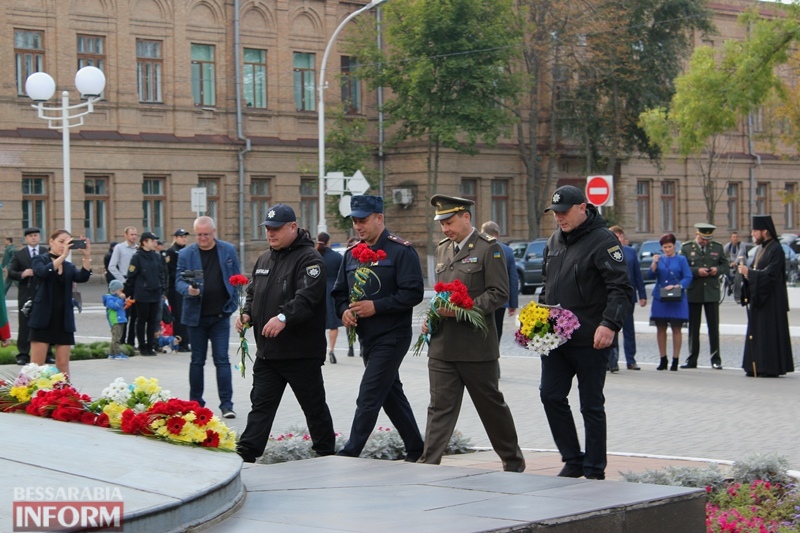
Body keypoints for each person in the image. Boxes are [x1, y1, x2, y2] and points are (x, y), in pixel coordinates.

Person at [417, 195, 525, 472]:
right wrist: (431, 318)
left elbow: (499, 294)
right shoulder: (443, 249)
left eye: (449, 222)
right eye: (442, 224)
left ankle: (513, 462)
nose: (445, 229)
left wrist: (464, 309)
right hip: (442, 346)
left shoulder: (490, 249)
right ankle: (428, 463)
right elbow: (440, 293)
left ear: (466, 218)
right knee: (439, 407)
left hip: (476, 347)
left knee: (491, 407)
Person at [538, 185, 632, 480]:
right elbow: (546, 286)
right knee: (550, 395)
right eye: (555, 213)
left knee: (591, 404)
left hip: (591, 338)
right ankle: (572, 459)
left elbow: (621, 288)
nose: (559, 219)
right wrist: (537, 323)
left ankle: (593, 468)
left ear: (583, 207)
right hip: (556, 339)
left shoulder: (603, 241)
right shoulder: (553, 241)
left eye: (564, 212)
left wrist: (609, 324)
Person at [236, 204, 336, 463]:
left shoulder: (309, 259)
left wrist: (283, 318)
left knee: (313, 408)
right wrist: (247, 314)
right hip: (268, 353)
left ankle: (326, 453)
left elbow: (307, 298)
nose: (271, 233)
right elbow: (252, 293)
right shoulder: (264, 259)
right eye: (268, 229)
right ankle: (245, 455)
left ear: (293, 227)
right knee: (260, 406)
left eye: (276, 228)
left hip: (300, 352)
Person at [332, 195, 425, 462]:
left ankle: (349, 454)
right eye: (355, 222)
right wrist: (344, 312)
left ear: (379, 218)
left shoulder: (401, 251)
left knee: (370, 394)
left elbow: (413, 293)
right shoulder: (351, 254)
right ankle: (416, 447)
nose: (358, 227)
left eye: (363, 221)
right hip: (366, 337)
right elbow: (338, 292)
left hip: (393, 335)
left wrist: (377, 307)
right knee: (390, 394)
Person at [176, 216, 242, 419]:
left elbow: (237, 278)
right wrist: (188, 290)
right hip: (196, 317)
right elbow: (178, 280)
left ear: (214, 232)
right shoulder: (186, 254)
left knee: (222, 360)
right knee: (197, 361)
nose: (202, 238)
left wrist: (233, 303)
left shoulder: (227, 250)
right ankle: (195, 404)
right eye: (199, 235)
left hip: (220, 316)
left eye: (206, 234)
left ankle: (227, 405)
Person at [28, 230, 93, 375]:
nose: (64, 246)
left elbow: (83, 277)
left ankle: (64, 396)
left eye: (68, 242)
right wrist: (63, 256)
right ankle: (29, 396)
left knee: (63, 365)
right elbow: (43, 272)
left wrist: (87, 256)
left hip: (63, 318)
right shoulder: (39, 259)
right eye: (61, 242)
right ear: (51, 242)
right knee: (36, 365)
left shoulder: (68, 266)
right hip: (43, 317)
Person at [738, 215, 795, 377]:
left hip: (772, 301)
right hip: (760, 299)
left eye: (755, 231)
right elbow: (757, 270)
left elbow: (770, 274)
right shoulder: (761, 248)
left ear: (765, 231)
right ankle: (756, 366)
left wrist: (749, 273)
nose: (752, 234)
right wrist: (746, 274)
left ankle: (769, 367)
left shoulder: (776, 249)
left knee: (768, 333)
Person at [679, 223, 729, 369]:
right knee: (693, 328)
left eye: (708, 239)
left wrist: (717, 269)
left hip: (712, 292)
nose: (706, 242)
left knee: (713, 327)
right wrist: (696, 271)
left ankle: (716, 359)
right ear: (697, 235)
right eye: (703, 239)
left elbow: (725, 265)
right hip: (694, 291)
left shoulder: (718, 247)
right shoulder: (687, 248)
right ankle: (692, 359)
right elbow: (683, 267)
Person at [647, 234, 692, 371]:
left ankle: (675, 359)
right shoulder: (659, 259)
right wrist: (654, 263)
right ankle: (663, 359)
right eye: (665, 247)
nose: (667, 249)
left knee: (676, 329)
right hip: (661, 298)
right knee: (661, 329)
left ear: (674, 246)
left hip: (676, 298)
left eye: (669, 247)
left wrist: (678, 286)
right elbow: (650, 275)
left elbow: (688, 276)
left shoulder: (681, 259)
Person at [8, 228, 52, 366]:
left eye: (35, 235)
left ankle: (47, 353)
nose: (33, 238)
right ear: (26, 239)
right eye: (30, 236)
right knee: (25, 324)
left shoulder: (46, 252)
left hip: (44, 292)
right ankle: (23, 354)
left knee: (45, 322)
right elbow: (11, 272)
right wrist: (22, 273)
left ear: (39, 237)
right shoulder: (19, 254)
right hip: (26, 292)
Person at [608, 226, 647, 371]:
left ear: (623, 238)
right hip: (611, 298)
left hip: (628, 297)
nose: (617, 239)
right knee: (612, 328)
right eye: (614, 236)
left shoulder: (630, 252)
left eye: (619, 236)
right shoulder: (606, 252)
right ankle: (612, 361)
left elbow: (638, 275)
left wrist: (642, 295)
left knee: (629, 330)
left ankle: (631, 360)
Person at [124, 232, 167, 356]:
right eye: (152, 241)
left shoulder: (157, 256)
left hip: (155, 292)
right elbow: (131, 276)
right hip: (142, 293)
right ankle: (142, 346)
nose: (155, 243)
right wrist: (128, 293)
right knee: (142, 320)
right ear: (144, 242)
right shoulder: (137, 257)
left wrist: (163, 289)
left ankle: (150, 345)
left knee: (153, 321)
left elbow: (162, 273)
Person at [479, 221, 519, 341]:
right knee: (496, 332)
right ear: (498, 234)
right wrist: (513, 304)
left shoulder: (478, 249)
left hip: (480, 300)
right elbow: (513, 279)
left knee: (481, 333)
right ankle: (494, 356)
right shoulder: (507, 251)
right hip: (500, 301)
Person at [108, 227, 139, 347]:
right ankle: (121, 341)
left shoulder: (138, 249)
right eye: (132, 234)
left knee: (135, 315)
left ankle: (131, 341)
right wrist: (122, 280)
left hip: (136, 284)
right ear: (125, 235)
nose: (134, 237)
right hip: (125, 282)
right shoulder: (119, 248)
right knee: (123, 313)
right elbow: (112, 266)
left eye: (136, 234)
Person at [316, 231, 343, 364]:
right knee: (333, 324)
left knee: (318, 323)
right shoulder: (337, 257)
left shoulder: (314, 256)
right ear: (329, 242)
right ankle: (331, 350)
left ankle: (319, 350)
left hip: (317, 291)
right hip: (332, 291)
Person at [166, 229, 191, 352]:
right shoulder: (171, 252)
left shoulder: (187, 251)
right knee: (178, 315)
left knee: (186, 314)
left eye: (185, 237)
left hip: (186, 287)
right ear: (175, 237)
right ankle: (180, 342)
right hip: (175, 288)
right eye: (181, 236)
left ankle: (186, 341)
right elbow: (171, 272)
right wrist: (185, 275)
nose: (184, 239)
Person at [103, 279, 129, 360]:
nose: (121, 292)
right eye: (120, 290)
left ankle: (112, 353)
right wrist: (121, 299)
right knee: (116, 338)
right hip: (115, 320)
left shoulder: (116, 298)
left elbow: (120, 307)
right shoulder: (110, 298)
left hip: (120, 319)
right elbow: (115, 306)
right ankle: (117, 353)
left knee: (116, 337)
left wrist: (126, 302)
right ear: (115, 290)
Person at [344, 235, 360, 358]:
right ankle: (350, 346)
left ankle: (360, 346)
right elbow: (340, 288)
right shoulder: (347, 257)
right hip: (351, 301)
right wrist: (343, 310)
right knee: (350, 324)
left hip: (363, 302)